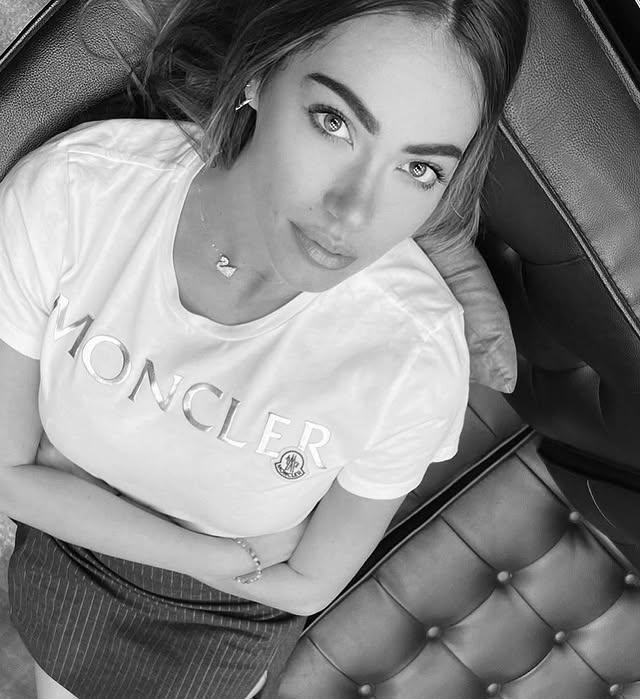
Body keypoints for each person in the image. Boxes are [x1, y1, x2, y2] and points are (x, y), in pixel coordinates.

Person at [0, 0, 529, 697]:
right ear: (258, 71)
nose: (353, 212)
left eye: (420, 169)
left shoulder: (415, 357)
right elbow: (5, 476)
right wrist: (225, 554)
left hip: (226, 624)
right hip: (72, 569)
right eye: (333, 122)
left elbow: (308, 585)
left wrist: (67, 485)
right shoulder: (75, 194)